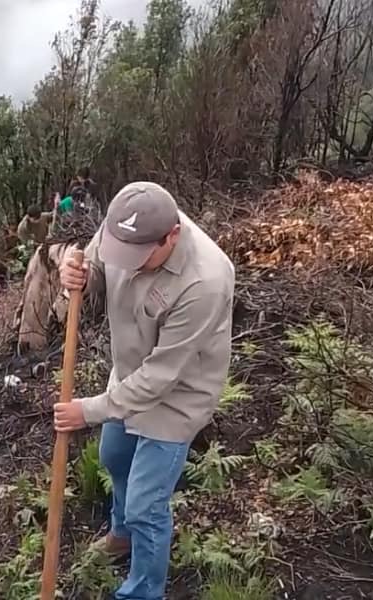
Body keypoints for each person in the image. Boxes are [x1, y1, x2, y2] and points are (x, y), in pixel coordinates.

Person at [53, 182, 235, 600]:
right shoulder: (126, 220)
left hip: (176, 397)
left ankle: (142, 591)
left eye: (140, 259)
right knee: (113, 457)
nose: (129, 267)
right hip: (129, 375)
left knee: (146, 506)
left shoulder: (204, 280)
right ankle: (121, 536)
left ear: (171, 236)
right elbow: (96, 269)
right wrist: (76, 275)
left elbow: (161, 377)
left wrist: (91, 410)